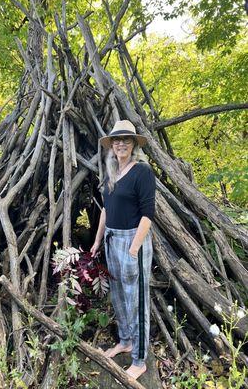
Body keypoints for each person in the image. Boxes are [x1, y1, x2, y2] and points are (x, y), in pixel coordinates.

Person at [90, 119, 156, 380]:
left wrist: (134, 248)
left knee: (137, 299)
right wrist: (97, 241)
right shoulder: (110, 174)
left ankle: (139, 360)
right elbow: (106, 211)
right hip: (111, 240)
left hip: (132, 242)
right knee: (118, 295)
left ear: (133, 145)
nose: (120, 144)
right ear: (111, 146)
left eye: (126, 140)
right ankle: (126, 341)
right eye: (116, 140)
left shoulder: (142, 172)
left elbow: (148, 214)